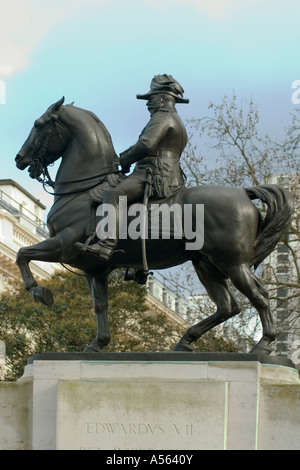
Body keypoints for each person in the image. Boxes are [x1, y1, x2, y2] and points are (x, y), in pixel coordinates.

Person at [76, 74, 189, 262]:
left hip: (153, 174)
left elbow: (146, 145)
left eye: (151, 98)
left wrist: (123, 159)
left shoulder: (162, 117)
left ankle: (106, 245)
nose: (148, 104)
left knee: (112, 196)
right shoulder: (176, 120)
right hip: (169, 174)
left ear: (162, 98)